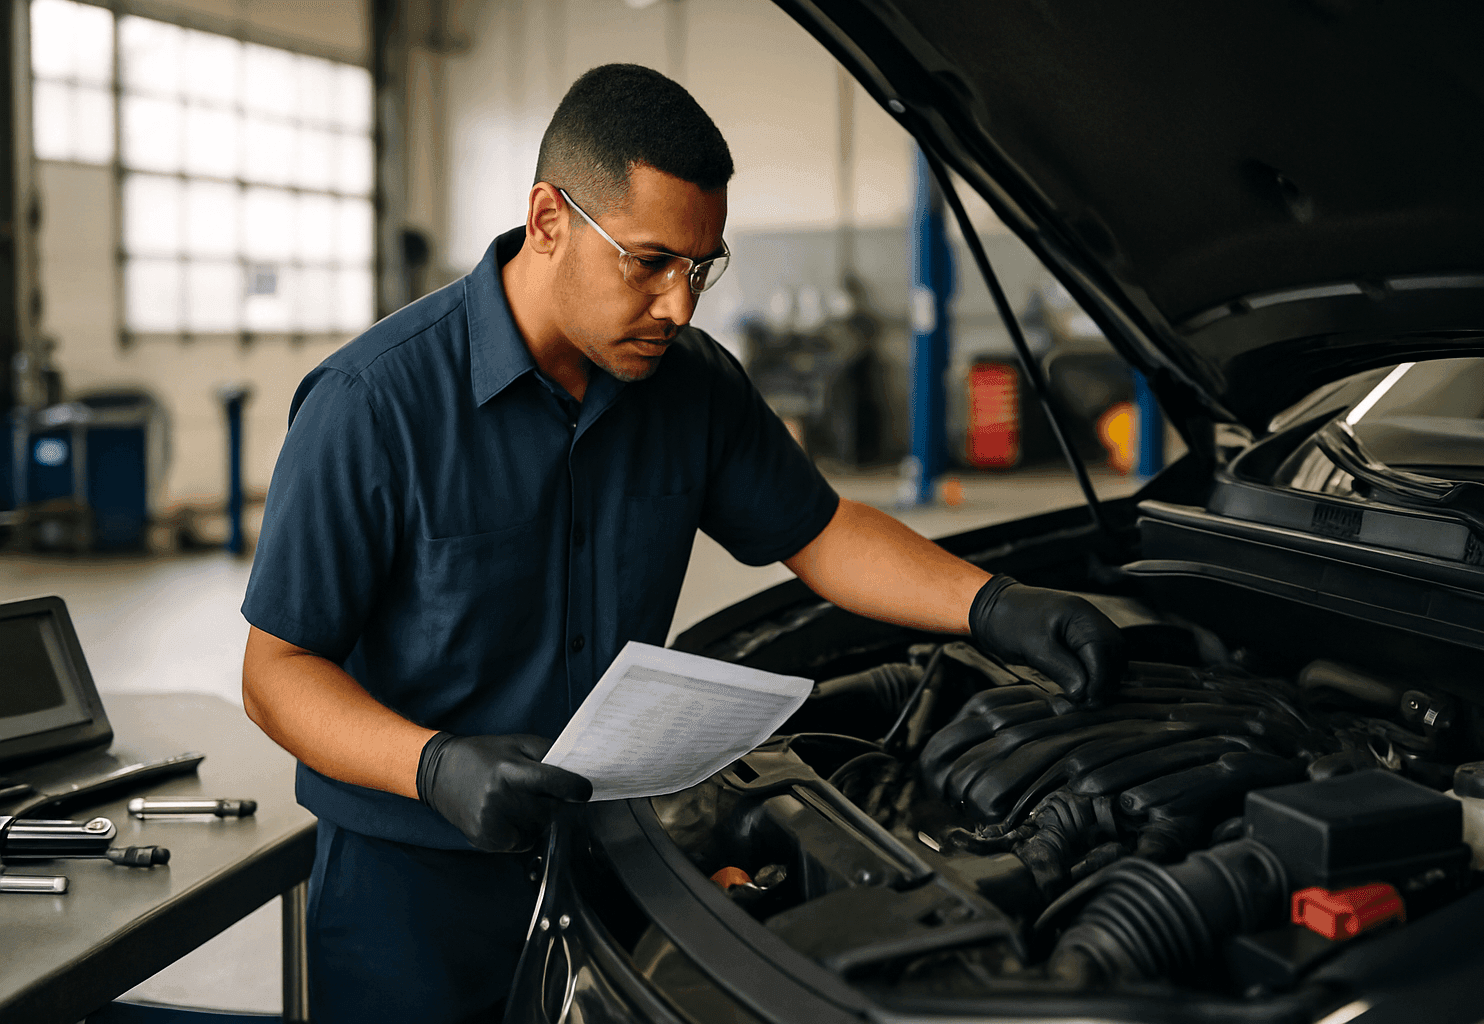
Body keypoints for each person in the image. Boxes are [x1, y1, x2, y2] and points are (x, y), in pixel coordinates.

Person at [240, 63, 1121, 1024]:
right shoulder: (373, 406)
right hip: (409, 894)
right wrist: (434, 764)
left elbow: (821, 532)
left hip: (612, 865)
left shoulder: (691, 386)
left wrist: (993, 604)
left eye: (700, 268)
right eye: (648, 261)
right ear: (548, 220)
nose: (680, 305)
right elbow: (278, 668)